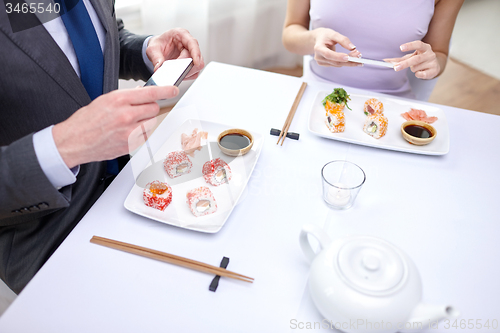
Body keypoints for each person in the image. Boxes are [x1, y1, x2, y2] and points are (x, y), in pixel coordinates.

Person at [0, 0, 204, 293]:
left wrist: (146, 50)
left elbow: (99, 36)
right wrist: (64, 146)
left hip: (126, 184)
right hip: (46, 235)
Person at [282, 0, 464, 99]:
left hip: (393, 103)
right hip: (317, 93)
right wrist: (314, 39)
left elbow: (439, 53)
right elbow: (290, 33)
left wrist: (433, 63)